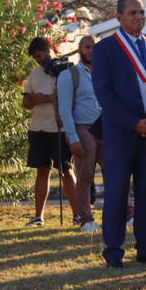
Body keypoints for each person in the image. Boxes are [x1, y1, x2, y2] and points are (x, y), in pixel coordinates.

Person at [92, 0, 146, 268]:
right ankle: (113, 251)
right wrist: (134, 123)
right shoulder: (105, 49)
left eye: (142, 12)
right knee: (116, 191)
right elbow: (105, 95)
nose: (139, 17)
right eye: (133, 13)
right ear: (119, 17)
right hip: (122, 132)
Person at [22, 37, 78, 227]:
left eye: (39, 55)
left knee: (66, 171)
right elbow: (27, 102)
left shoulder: (65, 70)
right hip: (38, 129)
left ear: (48, 49)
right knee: (42, 171)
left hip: (61, 129)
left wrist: (44, 98)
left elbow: (71, 97)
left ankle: (78, 215)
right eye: (35, 58)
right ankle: (39, 217)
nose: (38, 60)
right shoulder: (35, 73)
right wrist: (29, 101)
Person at [57, 35, 102, 232]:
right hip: (83, 128)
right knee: (85, 176)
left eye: (95, 47)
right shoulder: (69, 75)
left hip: (106, 128)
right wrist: (73, 138)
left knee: (117, 172)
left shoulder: (105, 72)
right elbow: (65, 110)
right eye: (87, 47)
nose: (92, 50)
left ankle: (127, 214)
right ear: (79, 50)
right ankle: (85, 219)